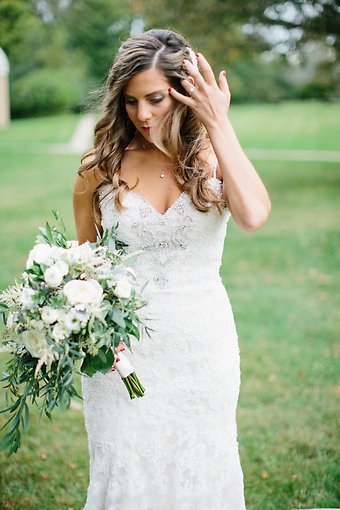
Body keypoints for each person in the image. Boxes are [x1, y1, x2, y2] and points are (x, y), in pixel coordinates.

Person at [73, 28, 271, 510]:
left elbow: (253, 215)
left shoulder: (211, 157)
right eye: (131, 101)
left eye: (156, 98)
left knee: (200, 467)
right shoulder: (99, 167)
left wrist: (218, 124)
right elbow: (85, 267)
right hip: (123, 355)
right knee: (127, 467)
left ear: (185, 91)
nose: (143, 114)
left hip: (200, 348)